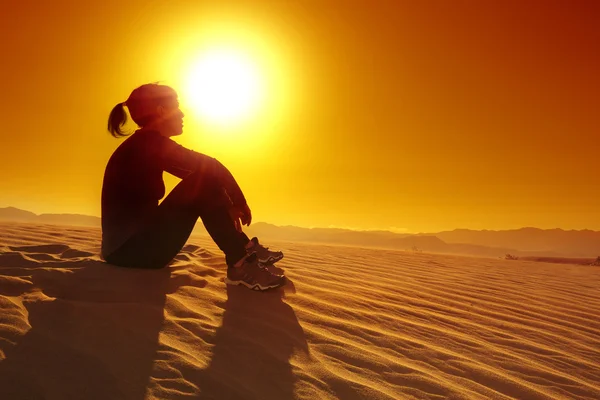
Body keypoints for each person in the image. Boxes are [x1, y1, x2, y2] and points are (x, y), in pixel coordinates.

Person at [101, 83, 286, 291]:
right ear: (162, 111)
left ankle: (245, 250)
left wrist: (227, 202)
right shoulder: (149, 144)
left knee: (205, 182)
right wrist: (238, 202)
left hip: (125, 250)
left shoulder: (145, 146)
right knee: (205, 182)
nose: (182, 114)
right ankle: (240, 264)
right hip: (132, 252)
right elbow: (210, 168)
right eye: (177, 106)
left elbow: (201, 175)